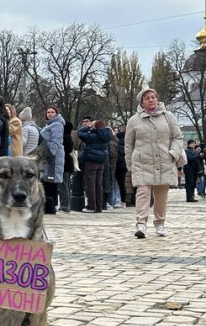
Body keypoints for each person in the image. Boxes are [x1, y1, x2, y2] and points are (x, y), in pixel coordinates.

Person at [125, 88, 184, 238]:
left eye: (153, 97)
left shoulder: (168, 117)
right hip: (142, 162)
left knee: (161, 195)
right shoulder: (134, 120)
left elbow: (177, 137)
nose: (151, 100)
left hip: (164, 161)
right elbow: (128, 144)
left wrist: (173, 154)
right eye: (147, 98)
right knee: (143, 193)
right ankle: (141, 224)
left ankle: (159, 223)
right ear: (141, 102)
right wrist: (130, 164)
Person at [77, 119, 111, 213]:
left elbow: (79, 133)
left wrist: (88, 127)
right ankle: (99, 206)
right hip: (102, 161)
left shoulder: (91, 135)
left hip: (91, 160)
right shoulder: (107, 135)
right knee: (99, 184)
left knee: (90, 184)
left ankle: (91, 206)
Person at [40, 106, 65, 215]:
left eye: (52, 112)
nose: (50, 114)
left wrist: (51, 152)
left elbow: (56, 140)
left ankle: (51, 206)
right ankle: (47, 206)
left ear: (56, 113)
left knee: (51, 181)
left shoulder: (57, 125)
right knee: (46, 180)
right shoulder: (48, 125)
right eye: (48, 112)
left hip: (52, 157)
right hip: (47, 155)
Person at [59, 119, 75, 212]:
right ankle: (67, 205)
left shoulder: (64, 137)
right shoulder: (69, 137)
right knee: (67, 186)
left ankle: (64, 205)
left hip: (64, 163)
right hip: (68, 163)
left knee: (63, 186)